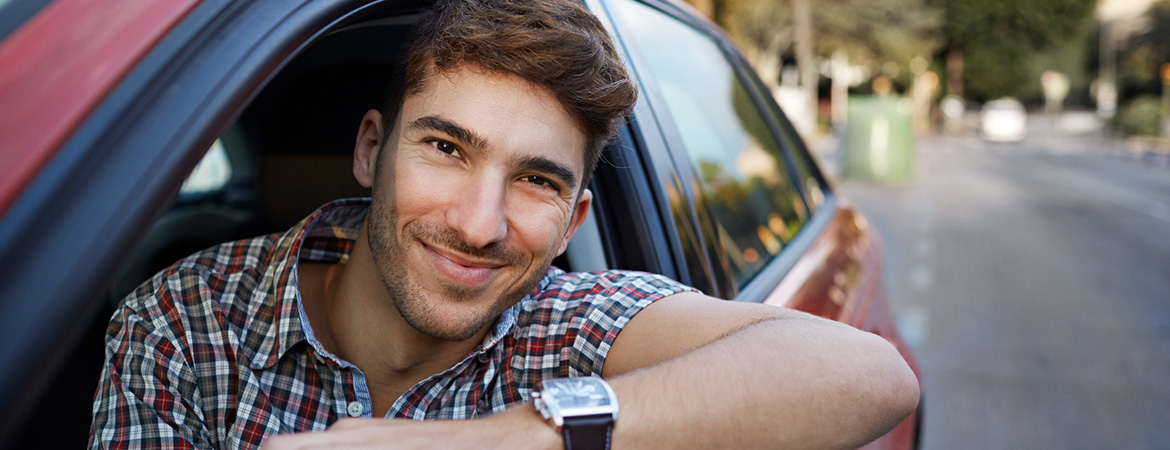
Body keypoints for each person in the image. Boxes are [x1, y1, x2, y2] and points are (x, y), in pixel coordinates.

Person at [89, 0, 919, 449]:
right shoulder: (184, 323)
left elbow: (871, 376)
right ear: (371, 150)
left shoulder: (569, 330)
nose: (481, 226)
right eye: (447, 148)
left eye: (535, 180)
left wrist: (502, 442)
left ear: (572, 224)